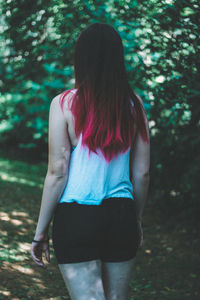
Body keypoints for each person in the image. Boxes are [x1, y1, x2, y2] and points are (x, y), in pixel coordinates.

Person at [31, 22, 150, 300]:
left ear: (81, 59)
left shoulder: (63, 104)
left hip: (77, 216)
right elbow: (142, 173)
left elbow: (58, 171)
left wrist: (40, 234)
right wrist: (136, 219)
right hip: (121, 214)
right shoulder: (135, 105)